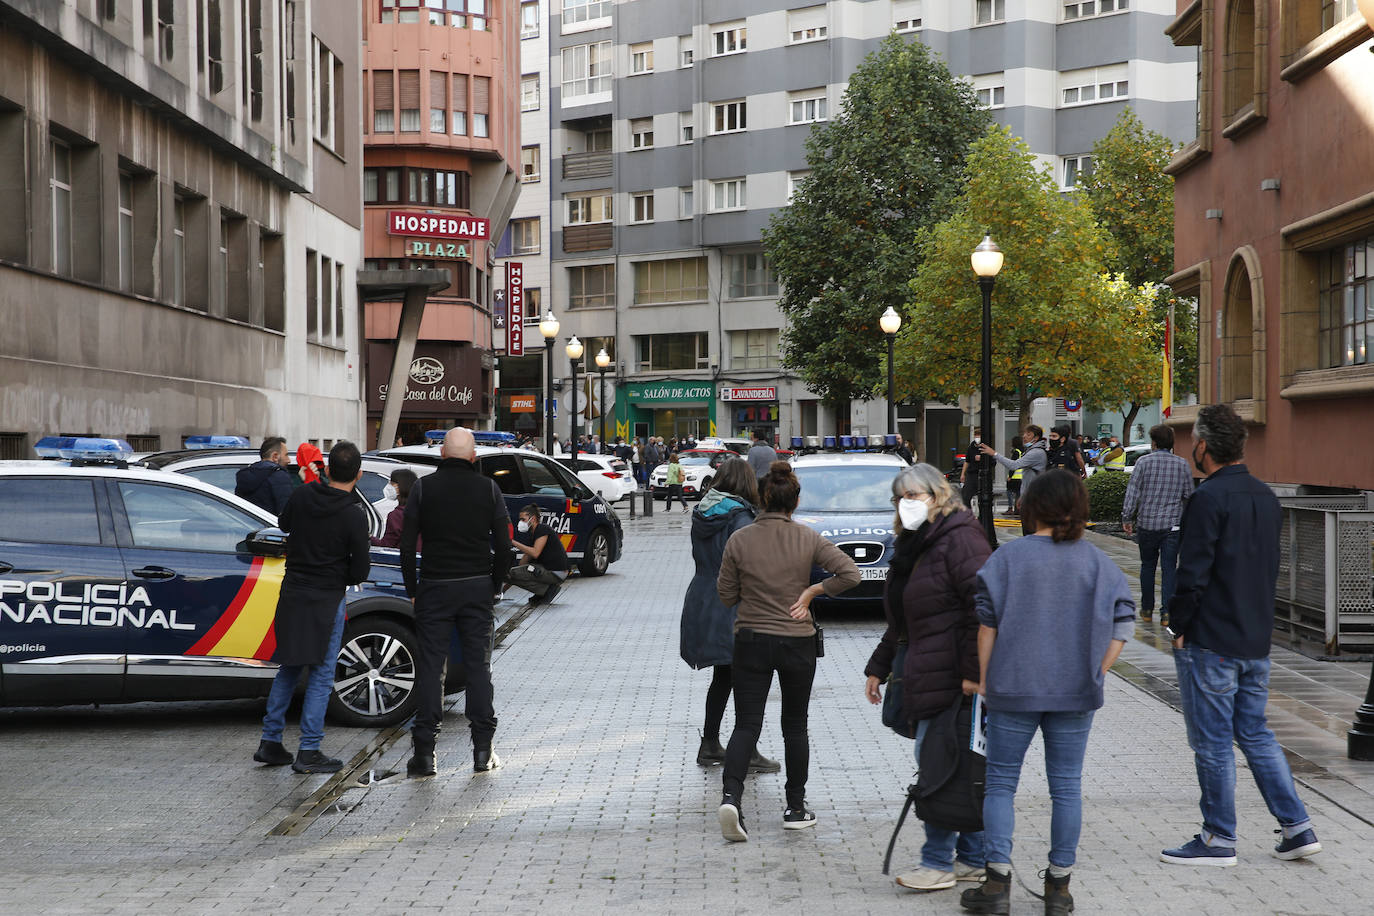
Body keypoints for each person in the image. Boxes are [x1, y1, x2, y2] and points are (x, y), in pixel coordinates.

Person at [960, 470, 1134, 915]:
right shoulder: (1098, 563)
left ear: (1030, 506)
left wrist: (985, 680)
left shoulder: (1006, 560)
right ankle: (1059, 886)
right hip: (1076, 690)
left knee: (1000, 782)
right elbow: (1123, 623)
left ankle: (996, 883)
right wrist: (1097, 671)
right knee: (1067, 787)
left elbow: (986, 626)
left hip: (1012, 688)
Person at [1160, 404, 1321, 867]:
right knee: (1255, 734)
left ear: (1204, 446)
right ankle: (1297, 826)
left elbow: (1192, 573)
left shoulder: (1208, 499)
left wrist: (1178, 626)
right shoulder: (1265, 497)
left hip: (1212, 638)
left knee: (1211, 742)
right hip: (1254, 637)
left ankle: (1218, 838)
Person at [715, 461, 860, 842]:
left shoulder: (740, 540)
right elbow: (850, 574)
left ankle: (731, 797)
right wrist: (812, 592)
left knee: (747, 723)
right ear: (795, 501)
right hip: (797, 641)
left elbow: (726, 594)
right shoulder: (808, 538)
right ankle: (795, 807)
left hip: (750, 639)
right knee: (795, 725)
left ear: (762, 499)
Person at [864, 463, 992, 893]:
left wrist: (975, 675)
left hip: (954, 676)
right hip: (927, 668)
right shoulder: (916, 543)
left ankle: (937, 862)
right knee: (950, 767)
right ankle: (973, 860)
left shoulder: (961, 538)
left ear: (939, 495)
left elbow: (985, 610)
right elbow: (905, 617)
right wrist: (879, 665)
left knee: (938, 768)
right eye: (901, 497)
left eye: (915, 495)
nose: (907, 504)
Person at [400, 427, 514, 777]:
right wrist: (494, 584)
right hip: (476, 587)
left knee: (432, 668)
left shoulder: (423, 488)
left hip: (434, 586)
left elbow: (407, 545)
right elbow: (505, 545)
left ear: (442, 455)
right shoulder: (489, 489)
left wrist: (413, 588)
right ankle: (483, 750)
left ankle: (425, 753)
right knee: (479, 668)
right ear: (474, 458)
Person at [253, 441, 371, 775]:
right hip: (327, 598)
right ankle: (309, 750)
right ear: (359, 475)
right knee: (320, 674)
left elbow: (283, 522)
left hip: (292, 592)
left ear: (329, 469)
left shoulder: (303, 495)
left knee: (289, 665)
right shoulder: (353, 514)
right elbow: (360, 571)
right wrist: (338, 574)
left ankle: (270, 741)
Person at [680, 458, 780, 774]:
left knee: (725, 674)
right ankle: (746, 750)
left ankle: (710, 743)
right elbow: (751, 563)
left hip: (703, 596)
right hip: (733, 600)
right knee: (746, 675)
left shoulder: (704, 511)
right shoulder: (741, 518)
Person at [1121, 424, 1193, 624]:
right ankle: (1167, 612)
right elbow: (1189, 495)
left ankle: (1146, 609)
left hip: (1147, 523)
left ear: (1154, 442)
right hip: (1172, 526)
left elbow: (1133, 493)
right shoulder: (1182, 464)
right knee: (1169, 567)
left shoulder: (1143, 463)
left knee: (1147, 566)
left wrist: (1127, 518)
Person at [507, 503, 568, 606]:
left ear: (533, 518)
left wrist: (513, 542)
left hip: (556, 571)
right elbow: (523, 562)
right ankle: (542, 592)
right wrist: (507, 581)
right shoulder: (532, 534)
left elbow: (535, 553)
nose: (520, 523)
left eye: (523, 519)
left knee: (514, 573)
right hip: (547, 570)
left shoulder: (542, 529)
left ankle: (546, 591)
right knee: (511, 574)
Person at [979, 425, 1049, 512]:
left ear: (1036, 438)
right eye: (1024, 434)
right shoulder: (1031, 450)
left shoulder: (1036, 452)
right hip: (1030, 496)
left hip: (1034, 498)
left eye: (1028, 434)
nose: (1024, 436)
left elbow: (1014, 465)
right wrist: (1022, 496)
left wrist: (994, 454)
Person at [235, 436, 294, 515]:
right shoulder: (279, 476)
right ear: (275, 456)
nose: (289, 460)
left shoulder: (245, 476)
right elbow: (287, 514)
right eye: (286, 455)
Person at [370, 467, 418, 548]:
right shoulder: (424, 510)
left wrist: (368, 537)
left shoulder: (396, 515)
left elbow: (387, 545)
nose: (388, 486)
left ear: (400, 486)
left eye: (391, 483)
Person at [959, 427, 988, 508]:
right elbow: (967, 461)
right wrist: (962, 474)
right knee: (965, 496)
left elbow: (992, 462)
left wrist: (982, 459)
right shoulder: (971, 447)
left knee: (982, 497)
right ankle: (969, 515)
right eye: (976, 435)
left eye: (978, 436)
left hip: (982, 475)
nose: (977, 437)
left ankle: (982, 516)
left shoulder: (986, 447)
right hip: (971, 474)